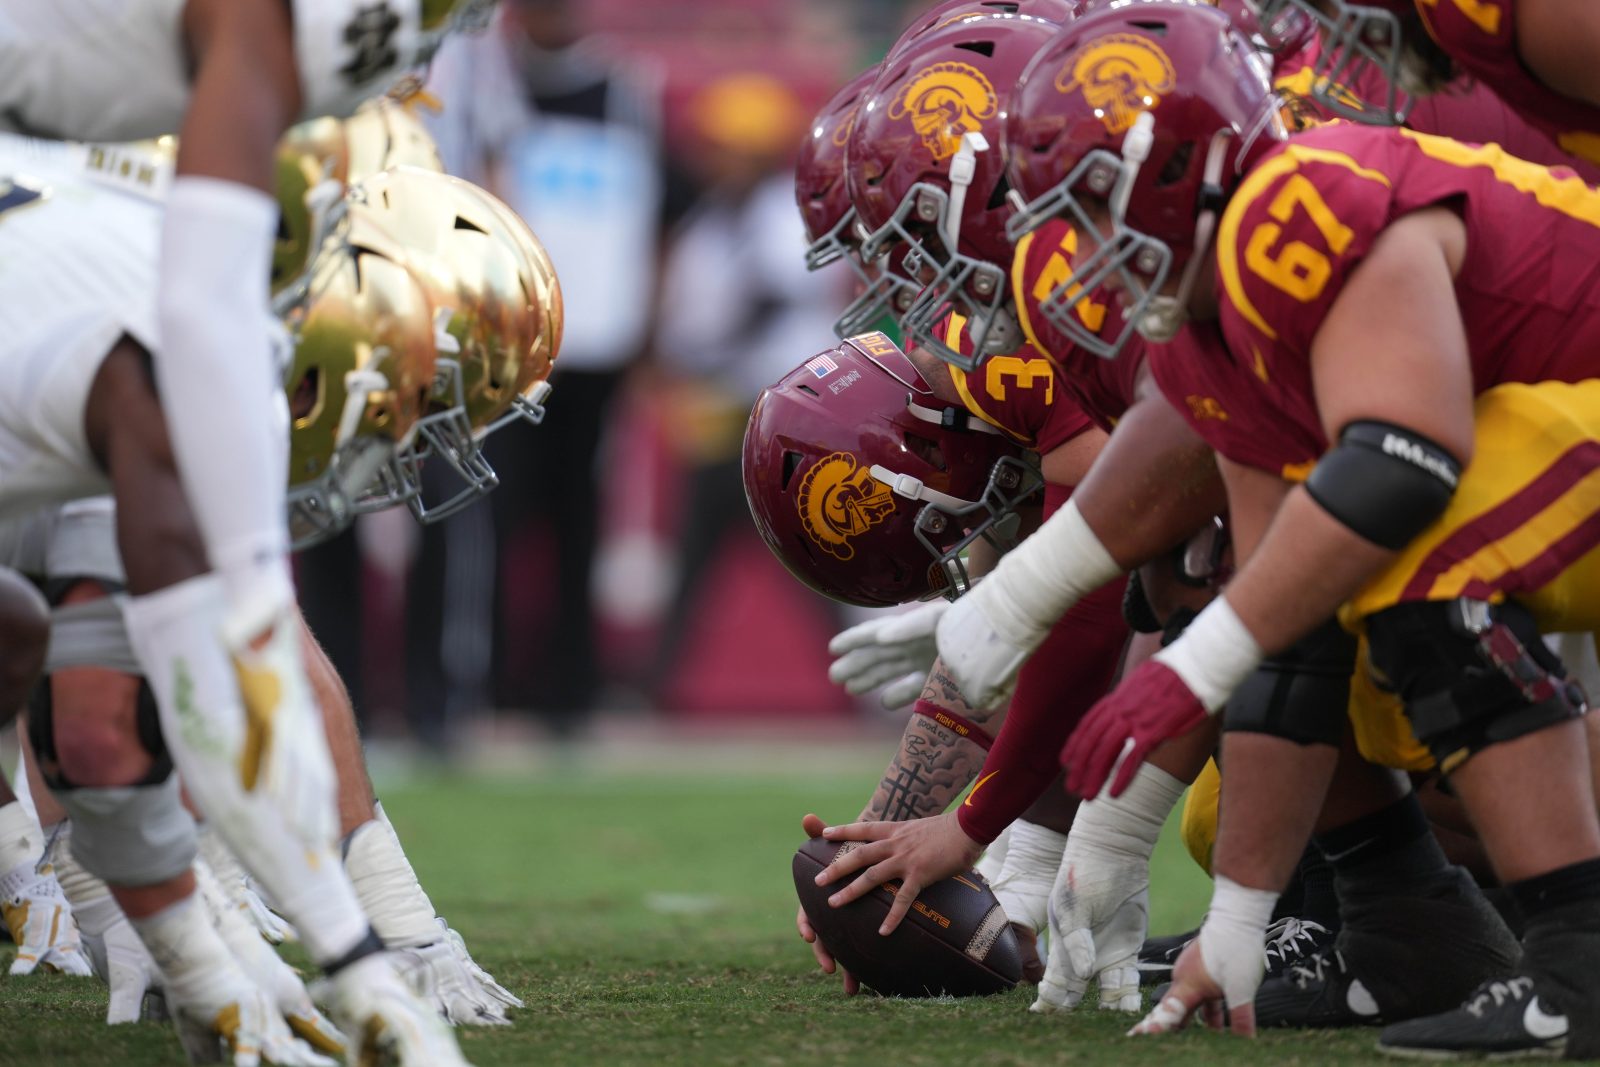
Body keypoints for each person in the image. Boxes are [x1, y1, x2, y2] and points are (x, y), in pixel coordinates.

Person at [982, 2, 1600, 1056]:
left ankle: (1580, 962)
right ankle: (1473, 942)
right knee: (1337, 626)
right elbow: (1284, 613)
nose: (1075, 249)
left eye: (1092, 200)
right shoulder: (1201, 326)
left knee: (1411, 551)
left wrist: (1186, 669)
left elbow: (1400, 461)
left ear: (1183, 160)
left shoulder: (1298, 194)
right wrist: (1239, 919)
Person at [0, 132, 475, 1063]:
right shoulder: (182, 362)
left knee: (24, 623)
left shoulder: (122, 275)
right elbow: (118, 721)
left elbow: (113, 681)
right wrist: (240, 953)